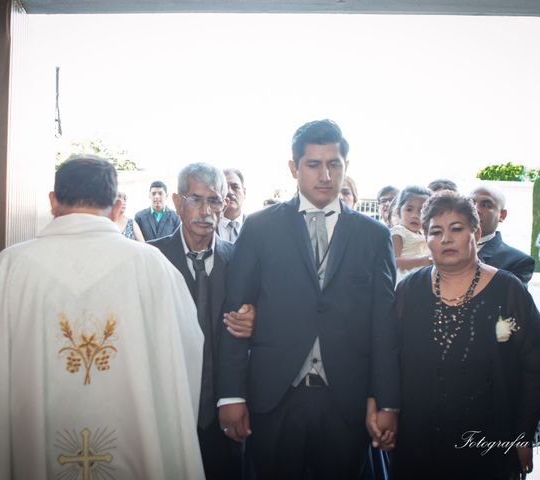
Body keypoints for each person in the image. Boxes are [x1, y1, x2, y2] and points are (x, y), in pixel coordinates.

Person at [0, 156, 205, 479]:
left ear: (53, 203)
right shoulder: (153, 268)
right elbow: (188, 348)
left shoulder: (10, 267)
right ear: (116, 207)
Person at [217, 119, 400, 479]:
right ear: (294, 168)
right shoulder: (259, 228)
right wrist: (231, 395)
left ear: (345, 166)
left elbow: (384, 326)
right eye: (313, 164)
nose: (325, 175)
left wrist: (387, 400)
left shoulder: (374, 236)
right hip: (273, 397)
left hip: (345, 399)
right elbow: (235, 315)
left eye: (334, 164)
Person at [391, 192, 540, 480]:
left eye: (456, 228)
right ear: (426, 239)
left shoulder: (507, 290)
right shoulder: (408, 290)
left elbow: (537, 366)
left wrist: (523, 435)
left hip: (488, 443)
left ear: (475, 233)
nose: (446, 239)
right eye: (435, 232)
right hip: (417, 442)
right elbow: (388, 355)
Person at [150, 163, 256, 480]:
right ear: (177, 201)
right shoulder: (151, 260)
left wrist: (256, 323)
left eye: (214, 201)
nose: (205, 211)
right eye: (196, 199)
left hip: (226, 414)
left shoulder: (241, 260)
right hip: (166, 410)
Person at [470, 185, 534, 286]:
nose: (475, 209)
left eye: (486, 205)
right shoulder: (444, 248)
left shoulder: (518, 261)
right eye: (470, 203)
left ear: (502, 215)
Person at [390, 185, 433, 283]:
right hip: (406, 280)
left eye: (421, 211)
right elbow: (394, 261)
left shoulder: (424, 233)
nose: (415, 216)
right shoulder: (398, 231)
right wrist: (422, 261)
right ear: (398, 211)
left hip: (424, 276)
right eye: (409, 210)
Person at [218, 168, 247, 243]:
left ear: (244, 193)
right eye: (224, 188)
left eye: (235, 187)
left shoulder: (256, 227)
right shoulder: (205, 228)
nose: (229, 192)